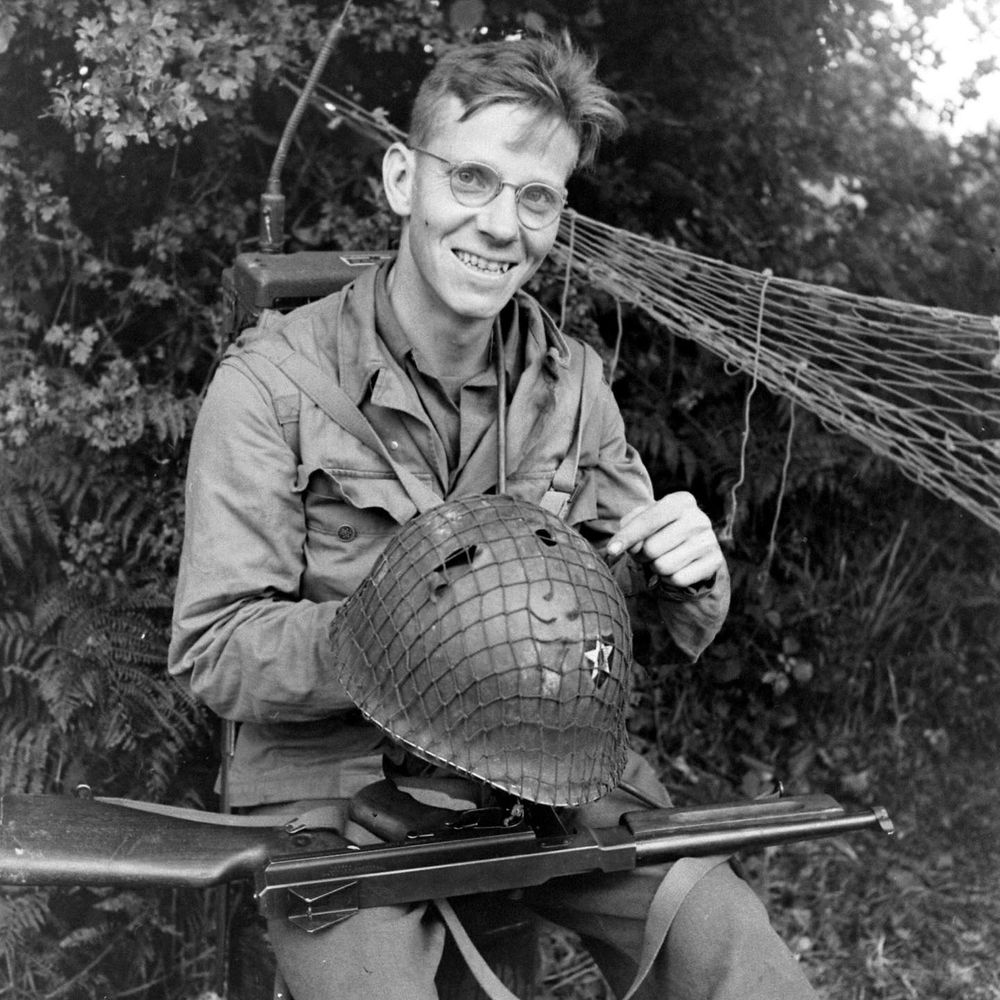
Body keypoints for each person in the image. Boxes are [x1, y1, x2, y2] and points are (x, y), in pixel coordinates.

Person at [169, 35, 817, 1000]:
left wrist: (686, 567)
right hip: (335, 793)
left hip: (540, 774)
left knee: (729, 939)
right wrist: (414, 643)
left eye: (537, 196)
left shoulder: (573, 387)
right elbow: (214, 646)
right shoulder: (272, 386)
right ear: (402, 178)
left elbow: (639, 614)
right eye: (472, 177)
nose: (501, 224)